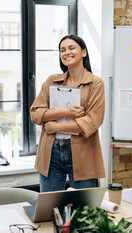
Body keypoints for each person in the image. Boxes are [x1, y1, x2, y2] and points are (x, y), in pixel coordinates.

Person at [30, 34, 106, 192]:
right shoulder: (52, 80)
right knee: (50, 209)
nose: (66, 52)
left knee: (84, 211)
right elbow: (35, 113)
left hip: (83, 153)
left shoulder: (95, 83)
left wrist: (55, 127)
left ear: (83, 52)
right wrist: (66, 112)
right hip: (51, 152)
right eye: (62, 50)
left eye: (72, 48)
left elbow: (93, 122)